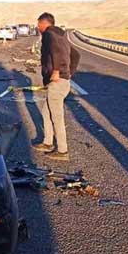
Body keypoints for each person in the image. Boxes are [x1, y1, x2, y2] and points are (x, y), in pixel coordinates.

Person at [35, 12, 75, 161]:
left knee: (57, 117)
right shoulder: (62, 36)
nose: (37, 27)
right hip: (62, 82)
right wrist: (69, 73)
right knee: (47, 112)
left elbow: (56, 52)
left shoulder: (49, 35)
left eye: (38, 24)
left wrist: (58, 72)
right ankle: (47, 142)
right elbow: (76, 54)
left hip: (57, 83)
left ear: (44, 24)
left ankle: (63, 151)